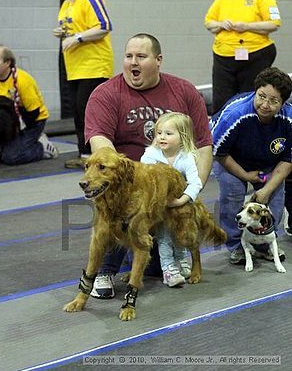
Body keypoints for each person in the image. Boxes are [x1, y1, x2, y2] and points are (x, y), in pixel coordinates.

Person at [84, 32, 213, 298]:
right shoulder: (105, 95)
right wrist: (133, 182)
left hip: (170, 186)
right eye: (129, 56)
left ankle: (159, 253)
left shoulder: (185, 91)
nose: (133, 62)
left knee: (156, 262)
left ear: (158, 60)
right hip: (128, 183)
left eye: (141, 57)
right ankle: (106, 269)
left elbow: (203, 146)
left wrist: (191, 192)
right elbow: (100, 146)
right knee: (115, 210)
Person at [210, 67, 292, 265]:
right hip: (231, 159)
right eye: (261, 96)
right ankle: (237, 246)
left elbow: (288, 160)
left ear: (283, 103)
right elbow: (219, 153)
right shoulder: (235, 114)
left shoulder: (288, 120)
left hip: (268, 162)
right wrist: (245, 176)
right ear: (255, 92)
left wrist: (267, 189)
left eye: (274, 101)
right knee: (233, 192)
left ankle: (264, 245)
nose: (265, 105)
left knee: (274, 199)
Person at [54, 0, 114, 169]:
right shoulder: (67, 4)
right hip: (75, 67)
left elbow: (105, 25)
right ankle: (85, 156)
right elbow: (74, 28)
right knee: (79, 113)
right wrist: (63, 33)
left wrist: (77, 37)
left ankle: (98, 155)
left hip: (94, 65)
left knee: (88, 111)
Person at [205, 0, 281, 114]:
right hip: (224, 55)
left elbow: (274, 23)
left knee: (248, 97)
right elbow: (209, 22)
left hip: (255, 54)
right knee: (221, 99)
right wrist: (220, 24)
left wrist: (246, 26)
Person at [140, 112, 203, 287]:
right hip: (160, 207)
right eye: (159, 133)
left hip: (180, 204)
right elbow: (142, 177)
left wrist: (181, 201)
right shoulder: (150, 154)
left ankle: (182, 260)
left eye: (168, 133)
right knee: (165, 237)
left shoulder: (186, 157)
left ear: (182, 137)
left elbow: (195, 183)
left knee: (181, 235)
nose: (162, 137)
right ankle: (169, 269)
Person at [0, 44, 58, 165]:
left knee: (11, 157)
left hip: (32, 121)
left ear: (7, 63)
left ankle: (42, 147)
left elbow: (34, 112)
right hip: (9, 119)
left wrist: (16, 132)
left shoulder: (22, 80)